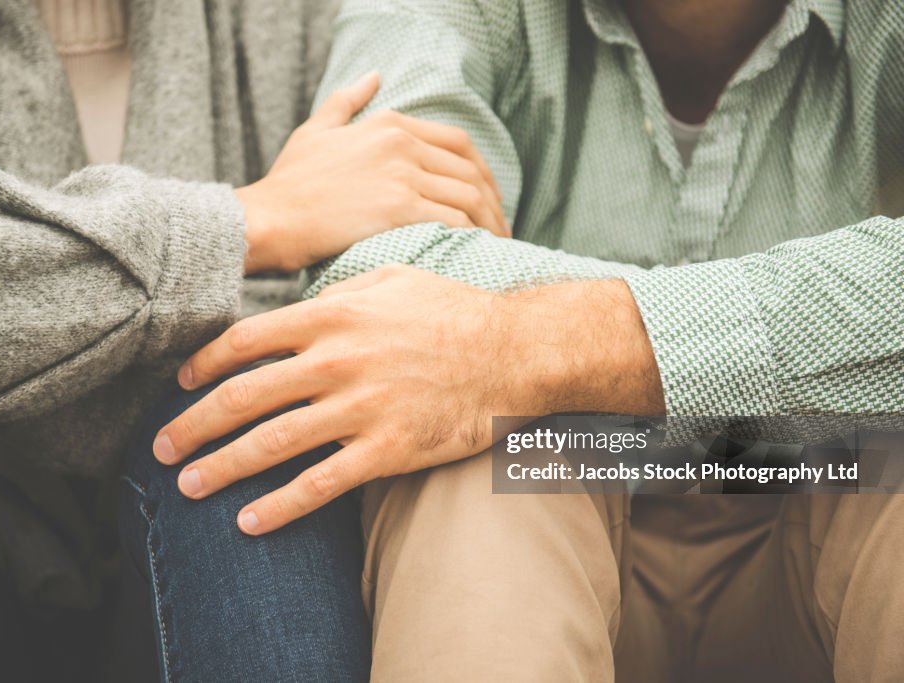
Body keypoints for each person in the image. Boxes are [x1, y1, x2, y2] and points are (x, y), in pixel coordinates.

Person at [152, 0, 904, 680]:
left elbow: (444, 319)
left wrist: (529, 343)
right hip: (555, 506)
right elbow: (371, 262)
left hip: (821, 492)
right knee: (474, 458)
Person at [0, 1, 507, 681]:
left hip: (205, 558)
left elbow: (382, 319)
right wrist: (252, 224)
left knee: (260, 410)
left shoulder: (306, 18)